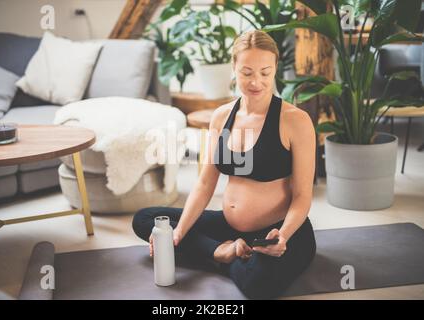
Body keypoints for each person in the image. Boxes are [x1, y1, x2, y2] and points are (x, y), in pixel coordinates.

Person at [132, 30, 316, 299]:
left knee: (258, 286)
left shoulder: (295, 121)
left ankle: (218, 255)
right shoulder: (221, 117)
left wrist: (283, 235)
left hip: (279, 231)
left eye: (265, 72)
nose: (256, 81)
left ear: (275, 67)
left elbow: (302, 196)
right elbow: (206, 182)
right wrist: (178, 232)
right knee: (148, 221)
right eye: (247, 72)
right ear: (234, 68)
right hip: (229, 227)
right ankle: (221, 251)